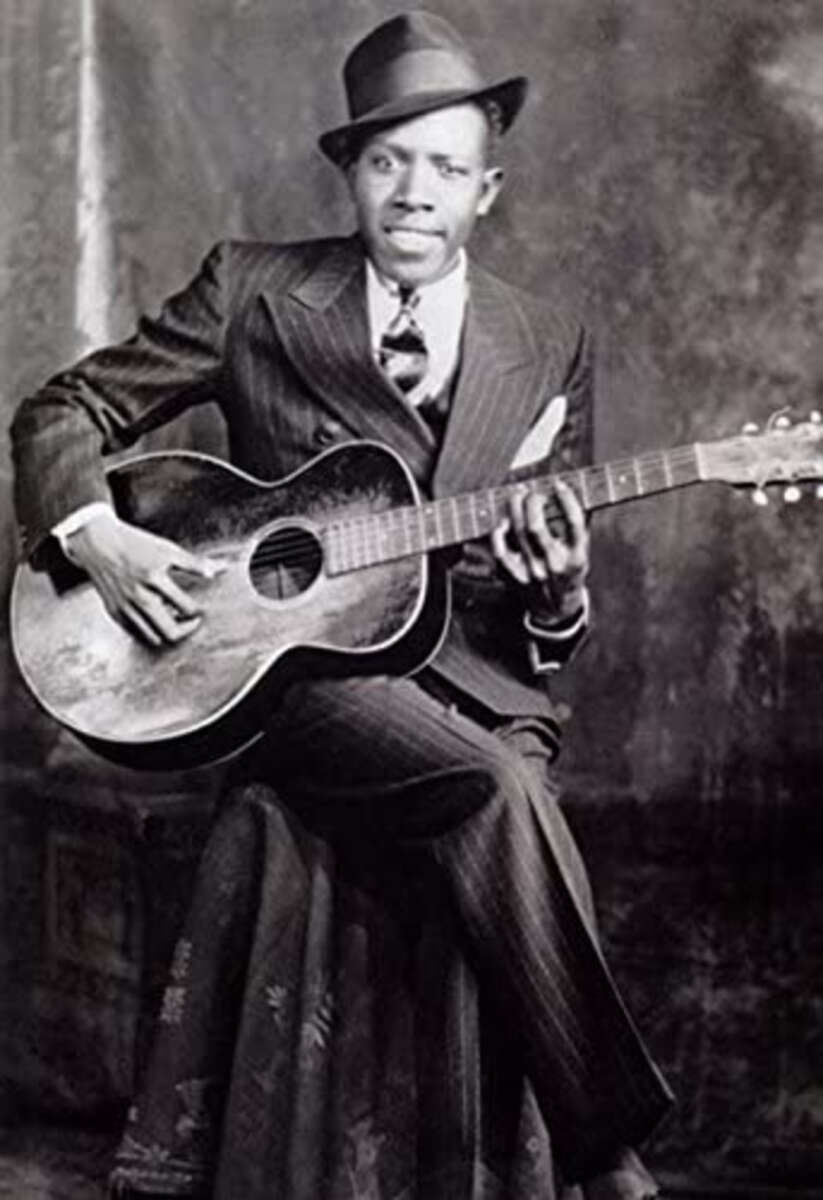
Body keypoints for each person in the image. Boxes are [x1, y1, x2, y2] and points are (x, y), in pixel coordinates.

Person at [10, 11, 673, 1199]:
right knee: (495, 784)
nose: (414, 194)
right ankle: (607, 1147)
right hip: (287, 676)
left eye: (446, 168)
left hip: (472, 674)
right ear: (350, 173)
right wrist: (97, 537)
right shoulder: (255, 291)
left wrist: (559, 592)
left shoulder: (546, 341)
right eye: (388, 163)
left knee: (502, 758)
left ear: (488, 188)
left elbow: (543, 625)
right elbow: (60, 413)